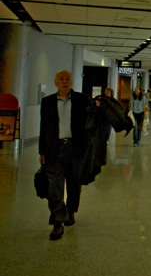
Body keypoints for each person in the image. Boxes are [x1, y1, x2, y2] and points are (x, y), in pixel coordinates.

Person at [39, 70, 92, 240]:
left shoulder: (82, 100)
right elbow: (43, 128)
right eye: (61, 79)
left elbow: (91, 120)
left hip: (75, 149)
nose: (64, 81)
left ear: (71, 81)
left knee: (74, 184)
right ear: (55, 82)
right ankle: (57, 222)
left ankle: (70, 211)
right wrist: (42, 151)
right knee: (54, 188)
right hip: (54, 150)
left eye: (67, 78)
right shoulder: (47, 102)